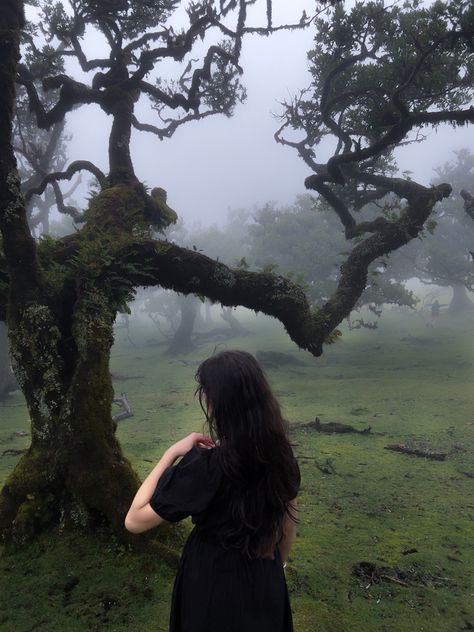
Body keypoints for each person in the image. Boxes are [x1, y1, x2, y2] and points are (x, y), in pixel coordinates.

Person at [125, 349, 300, 632]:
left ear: (217, 401)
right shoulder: (281, 456)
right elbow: (288, 518)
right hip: (265, 576)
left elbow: (134, 520)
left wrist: (170, 454)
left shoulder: (207, 466)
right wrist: (273, 569)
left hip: (211, 582)